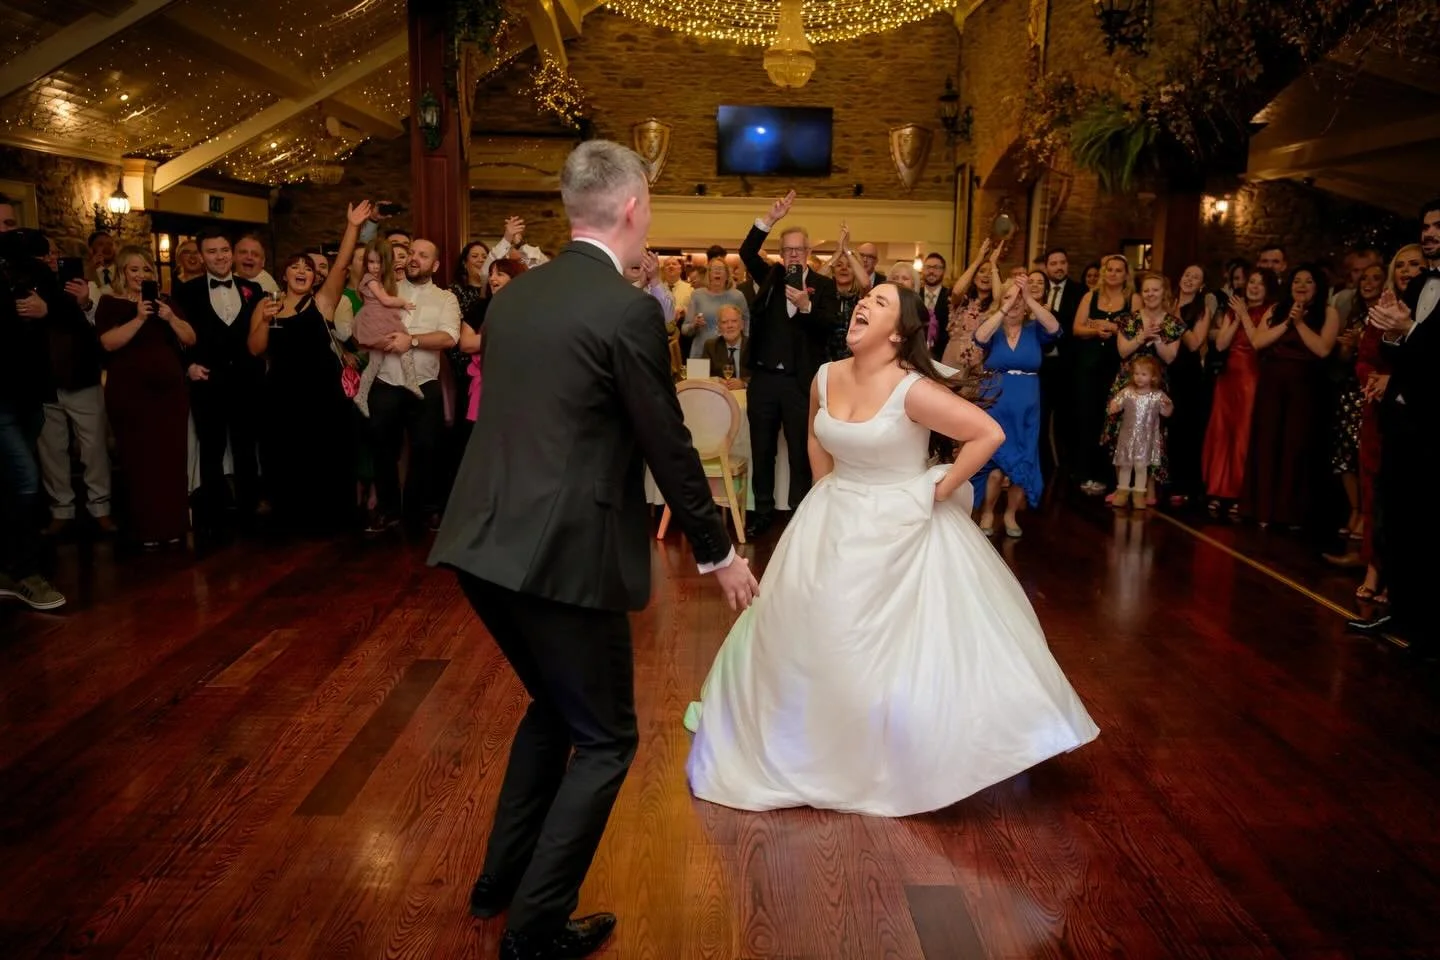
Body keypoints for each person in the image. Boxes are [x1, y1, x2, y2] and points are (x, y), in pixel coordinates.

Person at [429, 140, 759, 959]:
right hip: (561, 556)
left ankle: (499, 885)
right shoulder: (624, 310)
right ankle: (533, 932)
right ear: (634, 207)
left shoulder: (514, 300)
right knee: (607, 738)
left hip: (480, 543)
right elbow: (668, 443)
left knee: (555, 709)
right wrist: (721, 555)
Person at [684, 282, 1098, 817]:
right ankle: (811, 734)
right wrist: (825, 488)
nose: (864, 304)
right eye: (865, 299)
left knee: (886, 642)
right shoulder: (825, 376)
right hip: (833, 515)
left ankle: (889, 751)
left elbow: (988, 434)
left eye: (880, 303)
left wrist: (936, 489)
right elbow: (815, 432)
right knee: (811, 629)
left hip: (898, 522)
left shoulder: (912, 390)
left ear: (900, 332)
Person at [738, 190, 839, 538]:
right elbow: (746, 252)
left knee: (801, 451)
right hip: (764, 380)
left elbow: (831, 324)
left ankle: (800, 513)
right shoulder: (770, 277)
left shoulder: (824, 286)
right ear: (781, 255)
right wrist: (769, 219)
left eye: (799, 249)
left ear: (808, 252)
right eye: (788, 249)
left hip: (800, 382)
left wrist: (806, 307)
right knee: (762, 451)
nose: (794, 254)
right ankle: (762, 512)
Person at [1107, 355, 1173, 510]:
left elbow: (1167, 412)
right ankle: (1122, 492)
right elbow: (1115, 403)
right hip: (1127, 437)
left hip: (1146, 439)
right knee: (1125, 465)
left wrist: (1168, 406)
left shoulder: (1157, 396)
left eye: (1144, 374)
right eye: (1136, 374)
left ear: (1153, 377)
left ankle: (1139, 495)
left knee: (1141, 466)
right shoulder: (1128, 392)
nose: (1139, 378)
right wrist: (1114, 406)